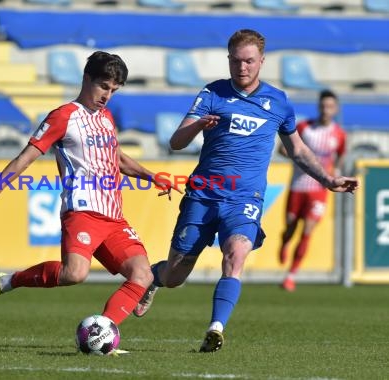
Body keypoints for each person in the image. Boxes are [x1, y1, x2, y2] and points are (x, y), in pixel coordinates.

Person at [132, 29, 359, 353]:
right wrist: (198, 125)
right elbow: (176, 141)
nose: (243, 68)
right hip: (204, 195)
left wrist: (328, 179)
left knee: (235, 255)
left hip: (245, 199)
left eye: (249, 61)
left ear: (261, 61)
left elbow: (297, 150)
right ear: (229, 60)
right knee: (175, 276)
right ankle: (155, 277)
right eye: (236, 61)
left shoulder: (278, 102)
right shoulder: (212, 94)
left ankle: (215, 328)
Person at [0, 51, 179, 349]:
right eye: (104, 86)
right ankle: (7, 281)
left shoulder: (106, 118)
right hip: (82, 212)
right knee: (74, 273)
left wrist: (152, 176)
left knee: (141, 275)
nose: (107, 96)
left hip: (114, 217)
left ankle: (104, 336)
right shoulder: (63, 116)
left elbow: (117, 159)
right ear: (86, 78)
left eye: (114, 90)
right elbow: (25, 158)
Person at [278, 90, 346, 292]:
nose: (326, 110)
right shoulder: (304, 127)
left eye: (330, 107)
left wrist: (335, 172)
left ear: (336, 109)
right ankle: (285, 242)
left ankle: (291, 275)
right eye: (323, 106)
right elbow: (284, 148)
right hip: (298, 185)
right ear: (318, 107)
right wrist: (295, 156)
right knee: (290, 226)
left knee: (307, 230)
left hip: (319, 189)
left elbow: (341, 156)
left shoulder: (339, 134)